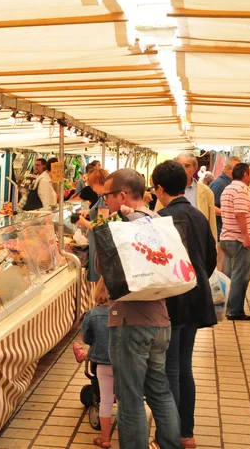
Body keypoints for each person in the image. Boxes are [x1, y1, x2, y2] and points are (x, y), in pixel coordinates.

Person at [100, 168, 180, 449]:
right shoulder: (155, 218)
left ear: (122, 195)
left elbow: (108, 273)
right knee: (159, 388)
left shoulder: (123, 226)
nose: (104, 202)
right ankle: (171, 444)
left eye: (107, 196)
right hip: (160, 319)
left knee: (130, 395)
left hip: (130, 322)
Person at [152, 160, 217, 449]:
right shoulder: (199, 215)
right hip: (196, 299)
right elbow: (211, 258)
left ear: (160, 188)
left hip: (172, 302)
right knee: (184, 367)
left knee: (170, 369)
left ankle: (171, 435)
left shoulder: (161, 219)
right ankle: (186, 433)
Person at [72, 278, 114, 449]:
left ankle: (105, 439)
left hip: (102, 363)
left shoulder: (92, 314)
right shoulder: (127, 312)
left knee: (105, 400)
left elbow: (87, 338)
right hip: (124, 362)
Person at [220, 162, 250, 320]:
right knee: (240, 276)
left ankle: (227, 305)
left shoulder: (229, 188)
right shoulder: (241, 190)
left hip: (228, 237)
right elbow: (240, 214)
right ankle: (235, 310)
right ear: (245, 175)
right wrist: (246, 236)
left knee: (229, 275)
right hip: (239, 239)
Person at [157, 152, 217, 241]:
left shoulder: (206, 191)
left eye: (187, 166)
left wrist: (214, 245)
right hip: (174, 239)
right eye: (179, 166)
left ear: (195, 168)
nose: (183, 170)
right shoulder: (167, 189)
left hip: (198, 239)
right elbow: (158, 216)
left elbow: (212, 222)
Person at [210, 156, 242, 270]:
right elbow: (211, 207)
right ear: (228, 169)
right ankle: (219, 287)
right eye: (236, 168)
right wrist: (229, 212)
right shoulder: (220, 184)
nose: (240, 170)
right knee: (222, 266)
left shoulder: (230, 183)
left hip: (227, 233)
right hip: (221, 233)